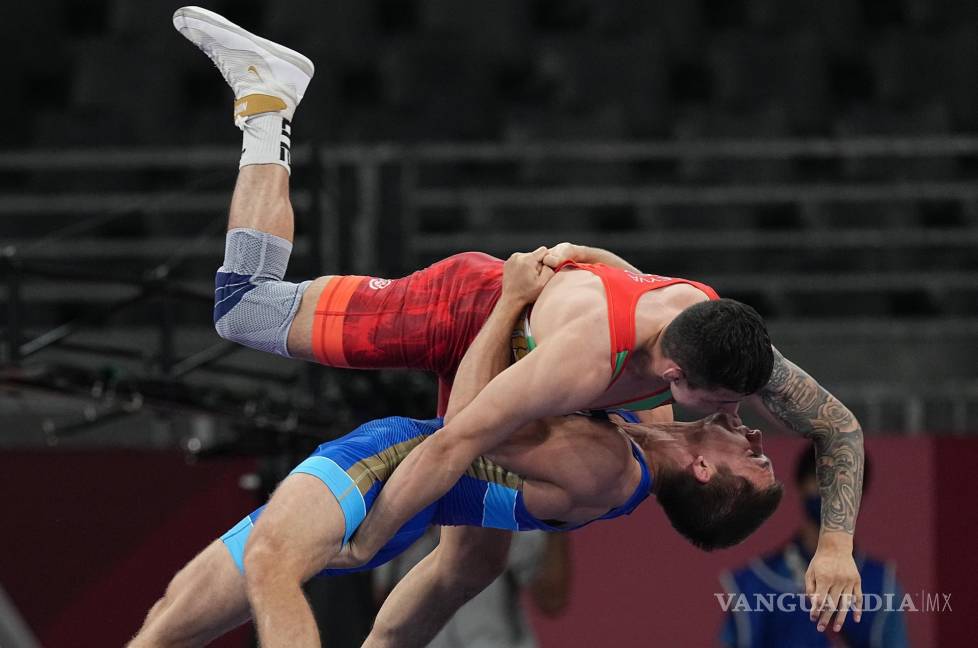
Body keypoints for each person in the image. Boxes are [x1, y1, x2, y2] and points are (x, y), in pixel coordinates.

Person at [174, 5, 865, 634]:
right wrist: (368, 544)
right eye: (734, 404)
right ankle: (271, 101)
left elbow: (837, 426)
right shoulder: (597, 362)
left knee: (470, 564)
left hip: (514, 344)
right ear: (678, 372)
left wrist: (836, 545)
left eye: (741, 422)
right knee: (245, 310)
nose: (747, 420)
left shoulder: (711, 339)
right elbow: (455, 440)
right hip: (467, 309)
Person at [128, 248, 783, 648]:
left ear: (702, 469)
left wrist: (512, 302)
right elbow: (645, 311)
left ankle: (267, 120)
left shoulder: (605, 466)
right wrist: (589, 260)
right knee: (166, 627)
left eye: (753, 458)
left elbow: (459, 431)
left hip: (386, 470)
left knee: (273, 563)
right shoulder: (647, 417)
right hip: (422, 494)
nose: (754, 434)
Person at [719, 449, 909, 648]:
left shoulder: (882, 585)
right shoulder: (754, 582)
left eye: (845, 485)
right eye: (822, 479)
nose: (831, 492)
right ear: (801, 486)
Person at [372, 529, 571, 648]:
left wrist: (555, 518)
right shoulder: (403, 512)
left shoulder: (503, 502)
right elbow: (377, 600)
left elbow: (552, 599)